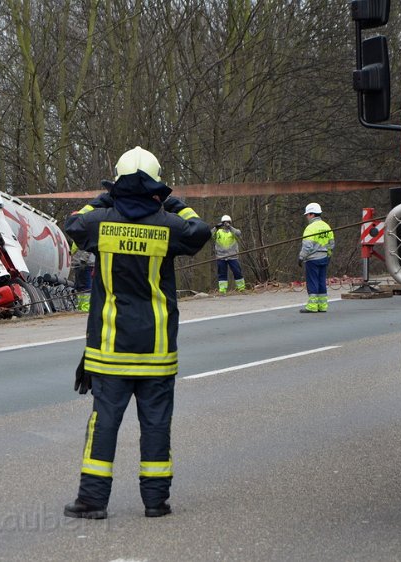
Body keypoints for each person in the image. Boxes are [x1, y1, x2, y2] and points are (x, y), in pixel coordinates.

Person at [63, 146, 210, 519]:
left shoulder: (100, 223)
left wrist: (103, 197)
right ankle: (156, 501)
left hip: (110, 348)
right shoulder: (169, 226)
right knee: (157, 423)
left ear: (117, 183)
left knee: (105, 423)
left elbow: (73, 222)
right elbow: (199, 231)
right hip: (157, 348)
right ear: (157, 187)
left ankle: (93, 501)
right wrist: (176, 204)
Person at [299, 202, 335, 313]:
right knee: (321, 281)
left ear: (312, 214)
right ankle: (323, 305)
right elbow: (331, 244)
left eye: (307, 215)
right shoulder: (326, 226)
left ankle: (313, 306)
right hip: (324, 258)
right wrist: (328, 255)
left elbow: (307, 246)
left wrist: (301, 257)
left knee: (312, 281)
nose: (307, 217)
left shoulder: (310, 228)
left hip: (312, 259)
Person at [211, 215, 246, 294]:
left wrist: (230, 227)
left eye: (227, 222)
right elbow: (209, 235)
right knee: (222, 274)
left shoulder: (233, 231)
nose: (225, 224)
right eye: (224, 223)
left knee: (237, 272)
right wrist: (215, 228)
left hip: (233, 256)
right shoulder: (218, 232)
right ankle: (222, 290)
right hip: (221, 257)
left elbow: (238, 233)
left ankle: (241, 288)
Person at [70, 242, 95, 311]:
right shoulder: (78, 233)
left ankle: (85, 308)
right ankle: (82, 307)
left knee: (85, 288)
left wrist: (83, 260)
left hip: (84, 264)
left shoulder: (84, 232)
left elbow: (89, 246)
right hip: (80, 264)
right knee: (80, 288)